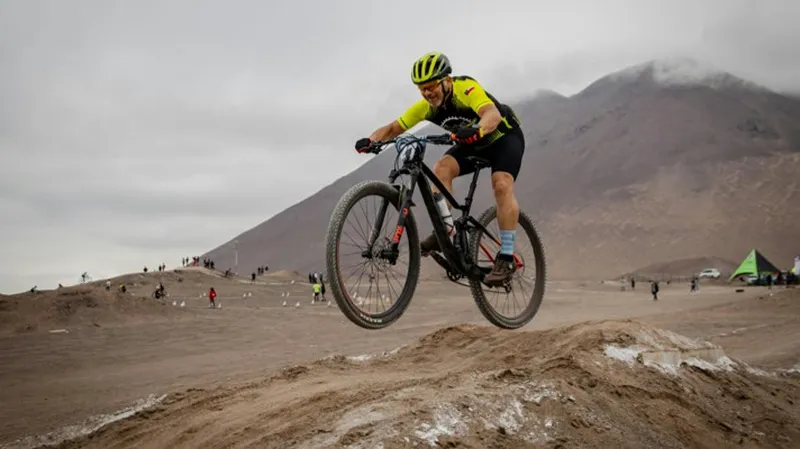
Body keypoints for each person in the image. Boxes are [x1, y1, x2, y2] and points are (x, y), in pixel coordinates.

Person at [355, 51, 525, 286]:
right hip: (472, 143)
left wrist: (478, 129)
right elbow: (395, 127)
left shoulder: (465, 89)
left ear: (446, 81)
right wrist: (372, 140)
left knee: (501, 184)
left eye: (431, 85)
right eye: (422, 88)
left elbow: (491, 114)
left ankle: (506, 257)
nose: (427, 92)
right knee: (440, 169)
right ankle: (446, 230)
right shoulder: (426, 107)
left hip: (503, 137)